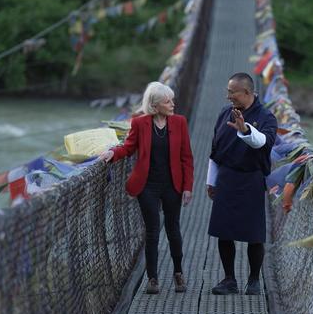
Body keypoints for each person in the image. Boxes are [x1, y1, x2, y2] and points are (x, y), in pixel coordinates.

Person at [99, 81, 194, 294]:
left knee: (173, 230)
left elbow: (186, 157)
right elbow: (129, 147)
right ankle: (152, 279)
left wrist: (188, 186)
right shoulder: (140, 123)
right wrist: (113, 153)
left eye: (172, 100)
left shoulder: (179, 122)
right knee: (151, 232)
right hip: (147, 185)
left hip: (172, 184)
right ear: (155, 104)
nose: (172, 104)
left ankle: (178, 273)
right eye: (167, 101)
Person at [207, 72, 277, 295]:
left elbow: (263, 142)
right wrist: (211, 181)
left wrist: (245, 130)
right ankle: (229, 279)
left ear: (246, 92)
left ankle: (254, 280)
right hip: (226, 178)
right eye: (228, 91)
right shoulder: (223, 114)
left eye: (232, 92)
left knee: (254, 234)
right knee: (224, 231)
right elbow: (215, 150)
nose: (229, 96)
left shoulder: (266, 117)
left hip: (252, 178)